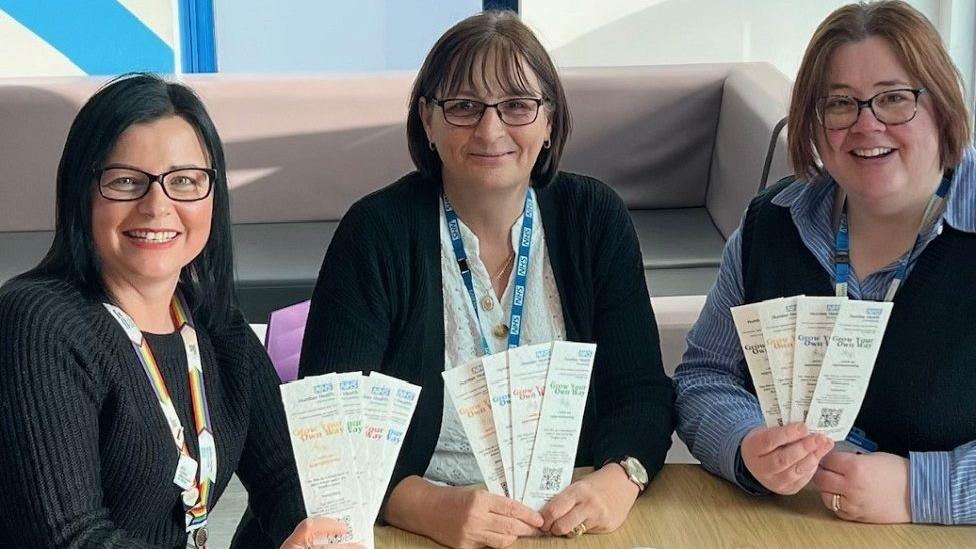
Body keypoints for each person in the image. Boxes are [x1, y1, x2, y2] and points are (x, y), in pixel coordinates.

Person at [296, 10, 675, 548]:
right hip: (419, 531)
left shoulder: (595, 219)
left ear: (549, 121)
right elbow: (329, 435)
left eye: (517, 105)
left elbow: (641, 390)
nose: (490, 129)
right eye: (464, 107)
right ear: (427, 121)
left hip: (568, 524)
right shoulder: (376, 232)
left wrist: (620, 478)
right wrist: (423, 507)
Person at [0, 74, 359, 548]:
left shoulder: (214, 322)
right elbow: (71, 539)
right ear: (81, 192)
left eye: (184, 181)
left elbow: (285, 475)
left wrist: (311, 533)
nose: (157, 206)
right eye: (126, 181)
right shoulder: (38, 322)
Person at [674, 0, 975, 525]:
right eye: (840, 104)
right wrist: (746, 446)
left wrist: (920, 491)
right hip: (786, 527)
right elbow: (704, 375)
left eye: (894, 99)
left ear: (944, 106)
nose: (867, 124)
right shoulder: (771, 223)